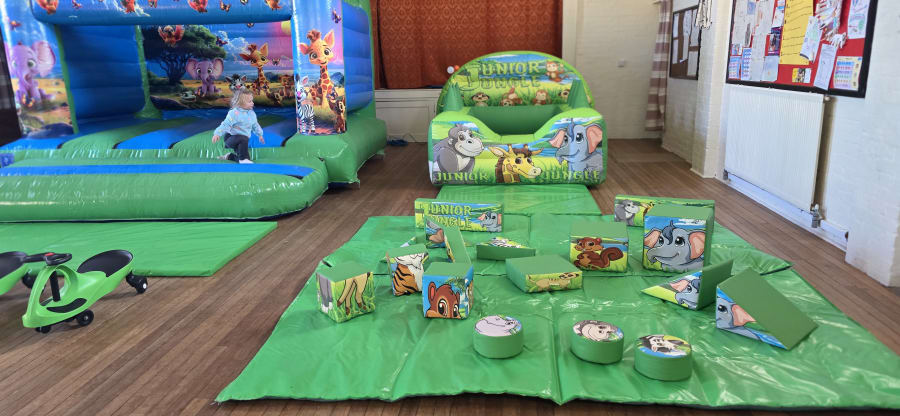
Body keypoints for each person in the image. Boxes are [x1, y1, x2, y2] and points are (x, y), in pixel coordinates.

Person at [212, 88, 265, 163]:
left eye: (252, 101)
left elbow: (255, 125)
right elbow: (226, 124)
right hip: (231, 138)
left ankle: (229, 156)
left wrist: (260, 135)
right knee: (243, 139)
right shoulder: (234, 113)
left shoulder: (251, 114)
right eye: (249, 101)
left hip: (242, 141)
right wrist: (217, 133)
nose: (252, 103)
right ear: (240, 103)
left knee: (245, 159)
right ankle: (243, 159)